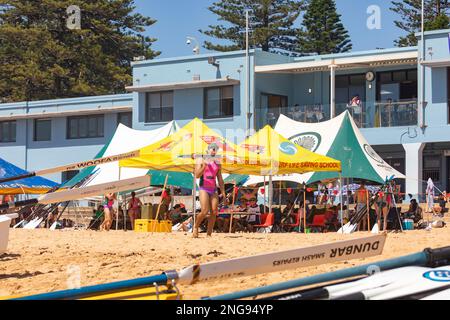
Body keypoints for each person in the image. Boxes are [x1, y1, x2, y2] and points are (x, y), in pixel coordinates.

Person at [193, 143, 226, 238]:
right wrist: (204, 165)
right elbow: (197, 175)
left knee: (214, 211)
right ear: (207, 150)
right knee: (204, 211)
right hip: (204, 188)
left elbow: (220, 178)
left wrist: (223, 192)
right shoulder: (200, 160)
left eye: (215, 149)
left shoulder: (218, 162)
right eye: (212, 149)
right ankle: (195, 227)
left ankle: (209, 233)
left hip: (213, 188)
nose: (214, 151)